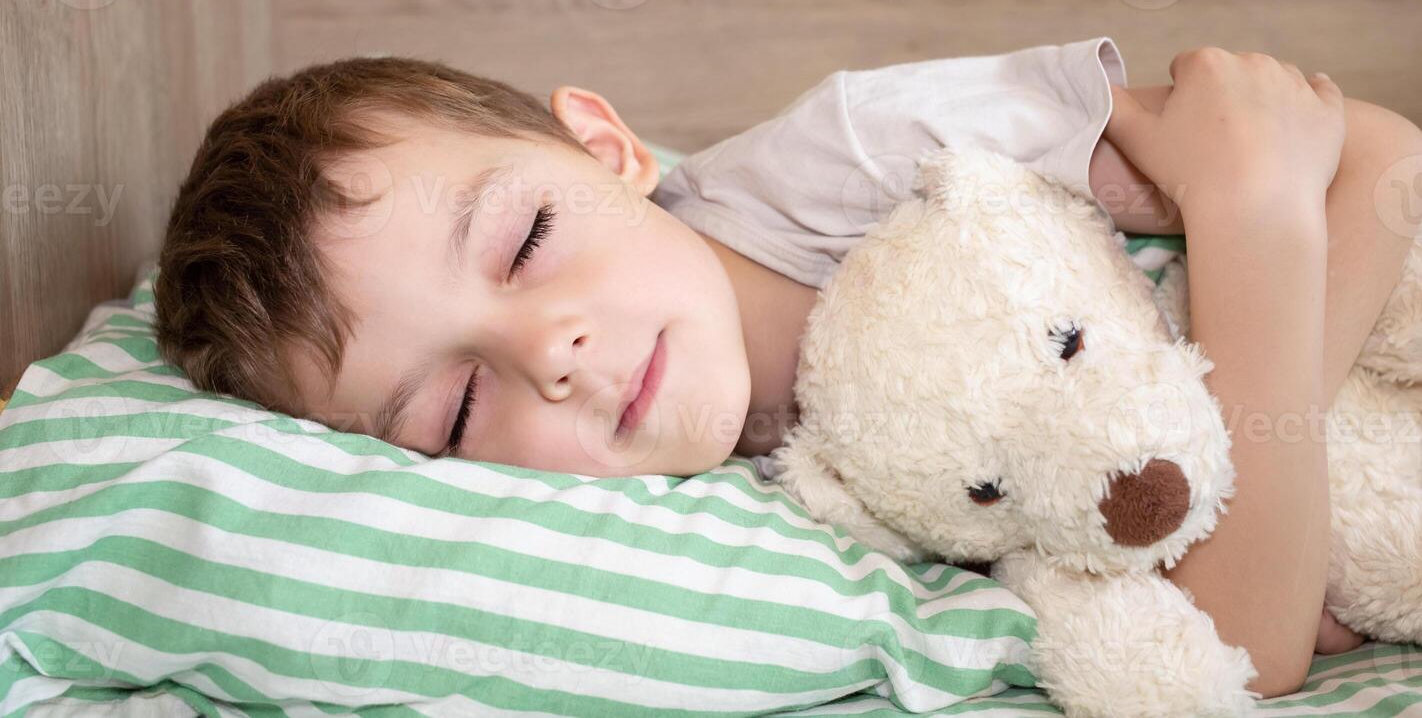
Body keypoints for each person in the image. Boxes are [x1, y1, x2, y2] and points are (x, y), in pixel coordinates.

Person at [154, 40, 1422, 698]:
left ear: (609, 148)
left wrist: (1261, 448)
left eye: (529, 239)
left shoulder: (869, 158)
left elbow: (1336, 153)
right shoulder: (712, 523)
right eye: (457, 405)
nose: (552, 357)